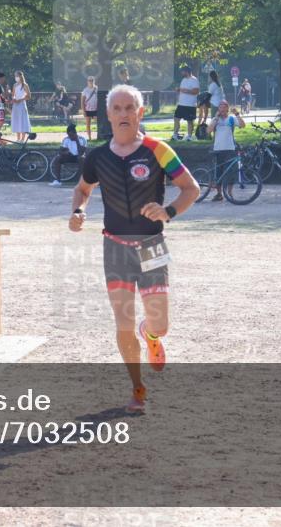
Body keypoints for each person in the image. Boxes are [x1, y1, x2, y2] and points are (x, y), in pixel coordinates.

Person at [69, 84, 200, 413]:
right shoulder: (97, 157)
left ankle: (151, 335)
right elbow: (82, 190)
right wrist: (78, 211)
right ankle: (137, 388)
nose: (124, 114)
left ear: (140, 113)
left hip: (152, 245)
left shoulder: (158, 150)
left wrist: (168, 211)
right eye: (118, 108)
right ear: (108, 114)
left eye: (130, 108)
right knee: (122, 323)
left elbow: (191, 189)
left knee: (160, 324)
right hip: (114, 246)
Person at [204, 100, 246, 202]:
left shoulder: (231, 119)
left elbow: (243, 125)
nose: (222, 109)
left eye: (224, 107)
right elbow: (208, 131)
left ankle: (230, 193)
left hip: (230, 148)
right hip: (218, 149)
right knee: (218, 172)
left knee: (231, 172)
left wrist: (237, 114)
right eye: (220, 107)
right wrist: (216, 118)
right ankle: (219, 194)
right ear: (218, 109)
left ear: (227, 109)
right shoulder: (215, 119)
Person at [172, 65, 199, 142]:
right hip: (181, 104)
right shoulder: (183, 80)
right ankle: (175, 135)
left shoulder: (194, 80)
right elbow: (182, 90)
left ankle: (189, 137)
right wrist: (179, 90)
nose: (181, 73)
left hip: (190, 105)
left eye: (182, 71)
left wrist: (185, 90)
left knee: (190, 121)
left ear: (187, 72)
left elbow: (196, 91)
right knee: (176, 118)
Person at [10, 70, 32, 142]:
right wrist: (13, 99)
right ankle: (18, 138)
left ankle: (22, 139)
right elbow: (13, 95)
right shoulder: (14, 85)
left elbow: (29, 96)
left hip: (22, 104)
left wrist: (20, 99)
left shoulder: (25, 85)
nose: (16, 77)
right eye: (15, 76)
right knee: (16, 121)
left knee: (22, 121)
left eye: (17, 76)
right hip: (15, 105)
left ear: (20, 76)